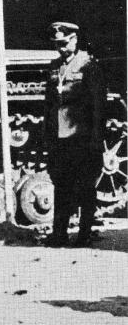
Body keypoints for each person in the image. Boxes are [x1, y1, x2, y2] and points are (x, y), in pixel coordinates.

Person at [41, 21, 106, 248]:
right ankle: (59, 234)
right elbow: (49, 104)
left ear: (75, 40)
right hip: (60, 138)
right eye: (56, 44)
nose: (60, 48)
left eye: (63, 43)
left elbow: (98, 105)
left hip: (82, 136)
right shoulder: (54, 66)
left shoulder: (88, 65)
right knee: (61, 185)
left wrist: (97, 138)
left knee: (86, 186)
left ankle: (84, 234)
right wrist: (47, 135)